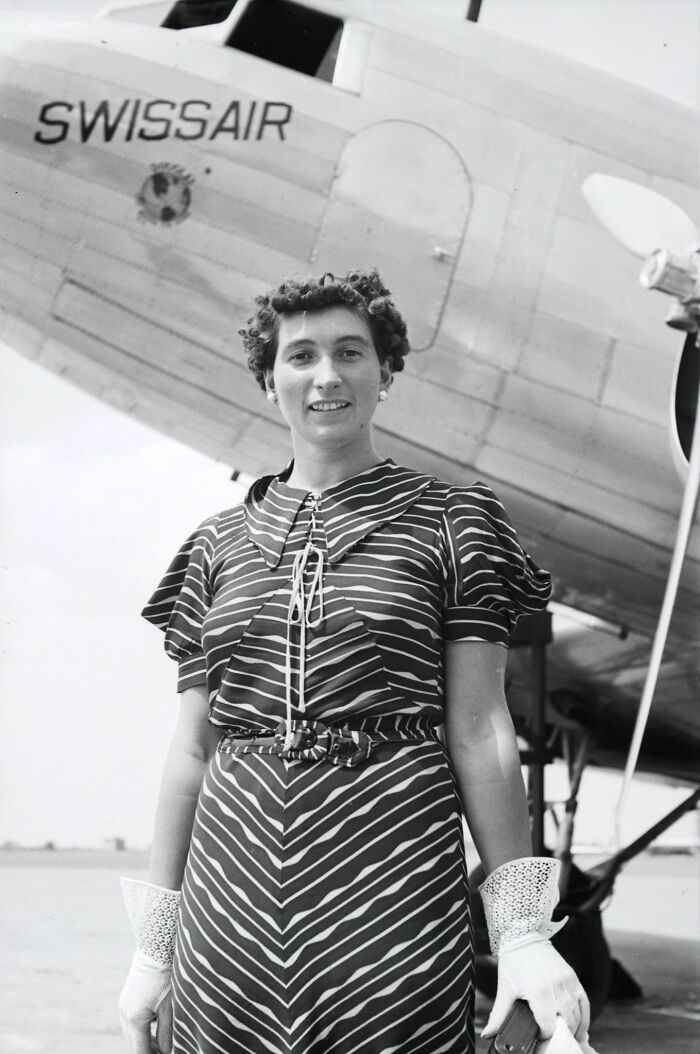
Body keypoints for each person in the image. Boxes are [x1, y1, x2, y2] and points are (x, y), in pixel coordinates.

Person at [118, 269, 596, 1054]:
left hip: (394, 894)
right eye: (300, 356)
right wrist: (152, 950)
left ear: (385, 372)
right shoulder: (214, 547)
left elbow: (480, 729)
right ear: (270, 381)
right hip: (227, 910)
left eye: (351, 352)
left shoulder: (453, 523)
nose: (328, 375)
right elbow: (191, 753)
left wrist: (520, 932)